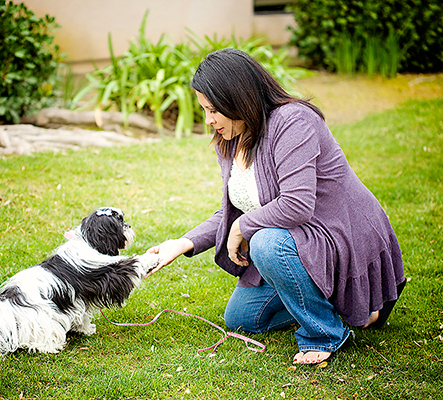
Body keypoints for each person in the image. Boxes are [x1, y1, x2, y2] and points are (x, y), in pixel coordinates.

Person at [146, 48, 406, 365]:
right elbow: (238, 209)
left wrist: (242, 229)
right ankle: (344, 304)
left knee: (266, 242)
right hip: (302, 240)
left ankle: (325, 333)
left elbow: (296, 205)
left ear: (238, 99)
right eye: (204, 110)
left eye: (213, 110)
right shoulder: (230, 139)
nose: (208, 120)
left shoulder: (292, 122)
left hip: (338, 236)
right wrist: (182, 243)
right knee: (243, 318)